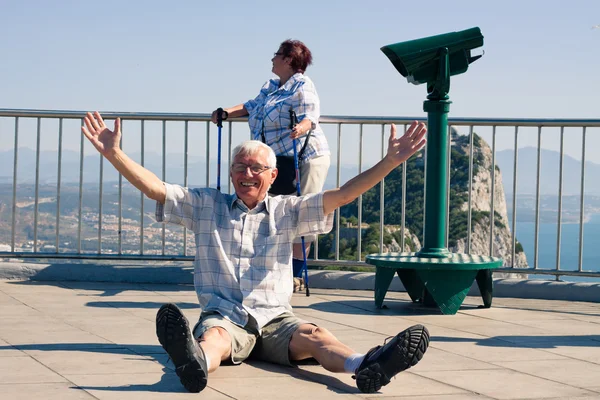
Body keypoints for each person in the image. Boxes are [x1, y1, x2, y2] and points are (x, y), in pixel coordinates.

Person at [81, 111, 429, 394]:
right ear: (231, 173)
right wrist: (114, 153)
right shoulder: (206, 205)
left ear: (273, 175)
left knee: (315, 336)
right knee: (214, 338)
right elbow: (157, 189)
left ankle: (368, 365)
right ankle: (194, 362)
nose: (247, 175)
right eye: (240, 168)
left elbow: (343, 195)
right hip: (226, 317)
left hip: (276, 319)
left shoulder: (288, 210)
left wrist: (390, 161)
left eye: (256, 168)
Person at [211, 39, 329, 286]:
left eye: (277, 55)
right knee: (273, 213)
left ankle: (295, 277)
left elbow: (311, 115)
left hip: (304, 158)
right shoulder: (272, 86)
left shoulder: (302, 85)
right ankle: (275, 271)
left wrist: (302, 127)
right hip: (277, 163)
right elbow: (251, 106)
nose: (272, 58)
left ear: (288, 59)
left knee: (302, 214)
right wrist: (225, 112)